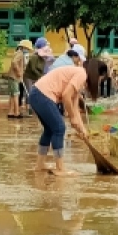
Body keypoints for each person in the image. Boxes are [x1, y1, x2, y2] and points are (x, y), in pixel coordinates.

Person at [29, 47, 90, 176]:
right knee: (59, 128)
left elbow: (74, 107)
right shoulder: (82, 73)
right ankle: (60, 168)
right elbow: (66, 95)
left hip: (36, 94)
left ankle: (40, 165)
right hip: (42, 94)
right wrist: (72, 118)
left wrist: (82, 129)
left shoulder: (77, 77)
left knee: (50, 130)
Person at [7, 40, 30, 119]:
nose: (28, 50)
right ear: (23, 47)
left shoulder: (18, 52)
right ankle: (16, 112)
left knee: (12, 95)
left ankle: (10, 112)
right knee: (16, 94)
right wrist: (18, 72)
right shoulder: (20, 53)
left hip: (13, 77)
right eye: (27, 48)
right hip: (14, 77)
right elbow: (14, 62)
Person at [23, 38, 46, 116]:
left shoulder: (43, 58)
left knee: (36, 93)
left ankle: (34, 108)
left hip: (36, 77)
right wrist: (40, 76)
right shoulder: (33, 57)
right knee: (29, 92)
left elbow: (42, 69)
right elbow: (33, 68)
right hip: (29, 76)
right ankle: (29, 109)